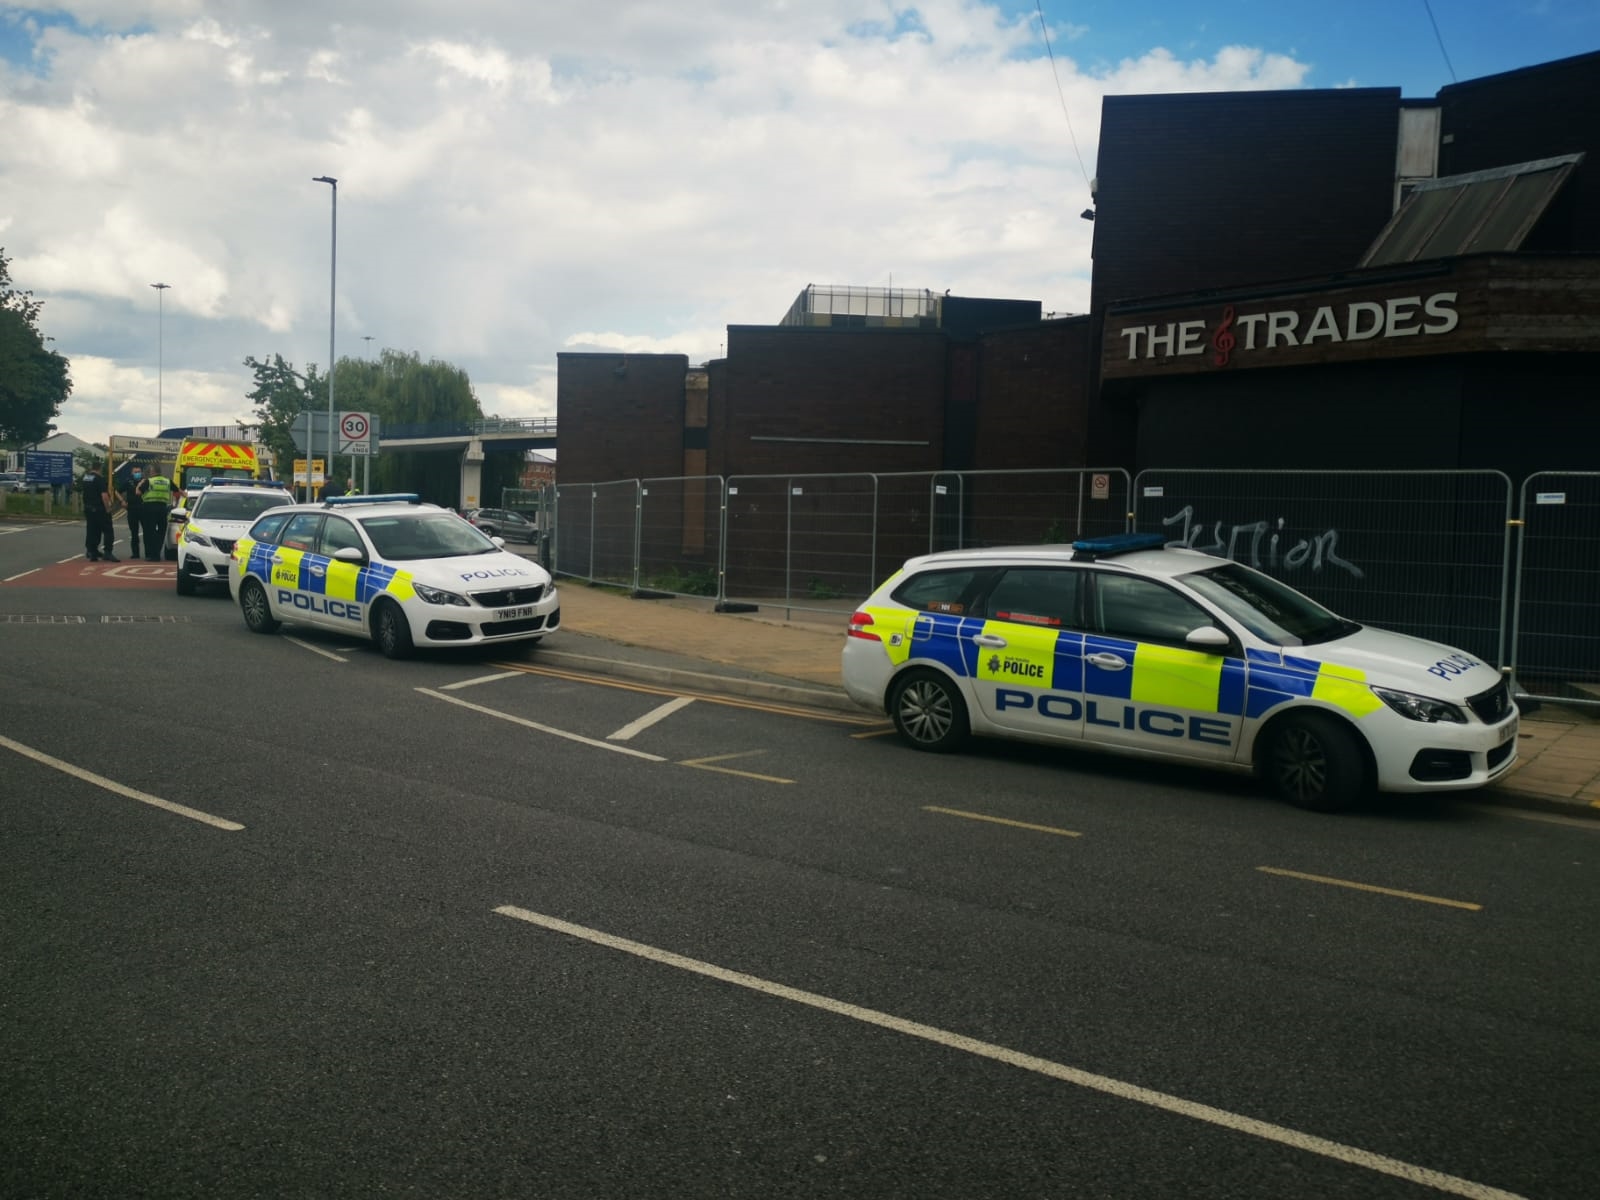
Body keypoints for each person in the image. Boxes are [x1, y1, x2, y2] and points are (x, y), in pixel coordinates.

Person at [137, 467, 175, 562]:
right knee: (161, 531)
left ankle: (151, 555)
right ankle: (157, 553)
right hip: (162, 508)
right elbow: (178, 491)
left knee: (149, 532)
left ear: (152, 472)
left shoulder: (149, 481)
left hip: (149, 508)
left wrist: (139, 484)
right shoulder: (167, 481)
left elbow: (138, 492)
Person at [81, 465, 118, 562]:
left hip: (88, 508)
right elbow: (104, 496)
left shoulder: (86, 478)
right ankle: (108, 552)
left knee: (92, 530)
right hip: (99, 509)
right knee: (108, 530)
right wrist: (108, 508)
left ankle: (92, 552)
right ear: (100, 469)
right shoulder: (99, 479)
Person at [118, 465, 145, 559]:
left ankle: (149, 553)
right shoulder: (128, 482)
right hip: (132, 509)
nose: (138, 473)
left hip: (143, 509)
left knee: (147, 532)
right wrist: (122, 501)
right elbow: (117, 491)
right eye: (135, 472)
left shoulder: (145, 482)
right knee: (134, 533)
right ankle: (135, 553)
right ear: (132, 473)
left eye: (139, 471)